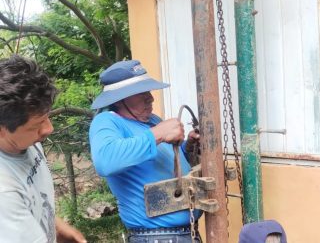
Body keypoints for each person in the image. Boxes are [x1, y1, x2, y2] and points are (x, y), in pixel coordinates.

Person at [89, 60, 201, 243]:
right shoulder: (106, 122)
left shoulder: (151, 121)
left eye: (148, 91)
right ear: (120, 99)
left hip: (186, 232)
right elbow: (104, 161)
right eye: (141, 93)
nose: (150, 98)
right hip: (155, 237)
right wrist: (158, 133)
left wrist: (187, 147)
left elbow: (161, 159)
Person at [0, 55, 87, 243]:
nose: (49, 129)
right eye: (37, 124)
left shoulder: (26, 140)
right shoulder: (3, 193)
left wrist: (54, 225)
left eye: (47, 116)